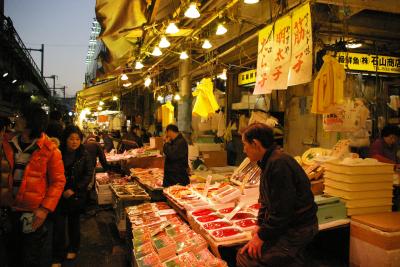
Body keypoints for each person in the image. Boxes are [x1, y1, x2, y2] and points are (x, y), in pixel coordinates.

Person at [237, 123, 318, 267]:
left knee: (247, 259)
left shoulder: (279, 164)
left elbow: (282, 211)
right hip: (286, 225)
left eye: (245, 145)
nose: (244, 150)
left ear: (255, 144)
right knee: (244, 252)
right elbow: (265, 201)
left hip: (297, 229)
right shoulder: (267, 161)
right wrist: (259, 224)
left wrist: (261, 237)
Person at [0, 104, 66, 267]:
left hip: (32, 214)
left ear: (31, 122)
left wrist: (44, 209)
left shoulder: (50, 149)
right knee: (10, 256)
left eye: (21, 116)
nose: (16, 119)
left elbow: (58, 181)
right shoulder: (6, 143)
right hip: (7, 209)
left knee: (30, 259)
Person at [52, 126, 94, 265]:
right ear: (65, 139)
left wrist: (75, 189)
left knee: (73, 223)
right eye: (71, 139)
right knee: (58, 226)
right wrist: (60, 189)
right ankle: (57, 255)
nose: (74, 142)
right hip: (58, 193)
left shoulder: (84, 154)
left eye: (77, 139)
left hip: (75, 194)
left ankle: (73, 248)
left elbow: (88, 174)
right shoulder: (58, 152)